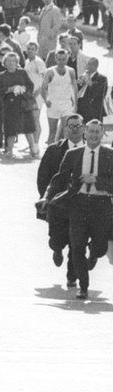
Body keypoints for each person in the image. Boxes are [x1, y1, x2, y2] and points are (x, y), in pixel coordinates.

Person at [42, 120, 113, 300]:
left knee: (100, 247)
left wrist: (95, 180)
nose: (94, 135)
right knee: (77, 246)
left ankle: (94, 253)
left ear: (102, 133)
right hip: (78, 204)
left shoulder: (109, 155)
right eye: (91, 132)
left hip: (101, 205)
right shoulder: (73, 154)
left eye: (97, 132)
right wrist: (46, 196)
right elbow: (58, 179)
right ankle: (83, 286)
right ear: (85, 133)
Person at [36, 113, 85, 287]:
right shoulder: (54, 150)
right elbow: (43, 177)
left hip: (80, 207)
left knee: (77, 243)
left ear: (83, 128)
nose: (74, 130)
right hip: (57, 206)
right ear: (65, 129)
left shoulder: (90, 150)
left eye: (78, 126)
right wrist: (46, 199)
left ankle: (72, 275)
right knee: (57, 239)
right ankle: (57, 250)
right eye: (70, 126)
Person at [0, 51, 38, 156]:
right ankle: (9, 150)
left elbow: (30, 85)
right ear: (4, 63)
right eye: (8, 61)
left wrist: (24, 89)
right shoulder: (2, 75)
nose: (11, 63)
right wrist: (10, 89)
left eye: (13, 61)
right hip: (9, 106)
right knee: (9, 129)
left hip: (23, 104)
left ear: (17, 62)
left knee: (28, 128)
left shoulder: (22, 72)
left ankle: (33, 149)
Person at [41, 49, 77, 144]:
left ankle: (65, 153)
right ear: (56, 59)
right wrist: (46, 100)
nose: (61, 62)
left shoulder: (71, 71)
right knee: (52, 132)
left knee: (67, 131)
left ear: (67, 59)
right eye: (59, 59)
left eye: (64, 59)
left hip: (66, 104)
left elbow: (74, 88)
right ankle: (49, 154)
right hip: (53, 104)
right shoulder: (50, 72)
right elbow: (43, 89)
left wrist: (75, 103)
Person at [75, 57, 107, 124]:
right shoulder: (82, 76)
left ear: (96, 66)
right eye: (88, 64)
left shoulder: (102, 78)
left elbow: (99, 93)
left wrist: (89, 83)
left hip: (94, 110)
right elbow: (76, 90)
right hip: (81, 108)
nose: (89, 66)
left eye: (92, 64)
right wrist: (78, 84)